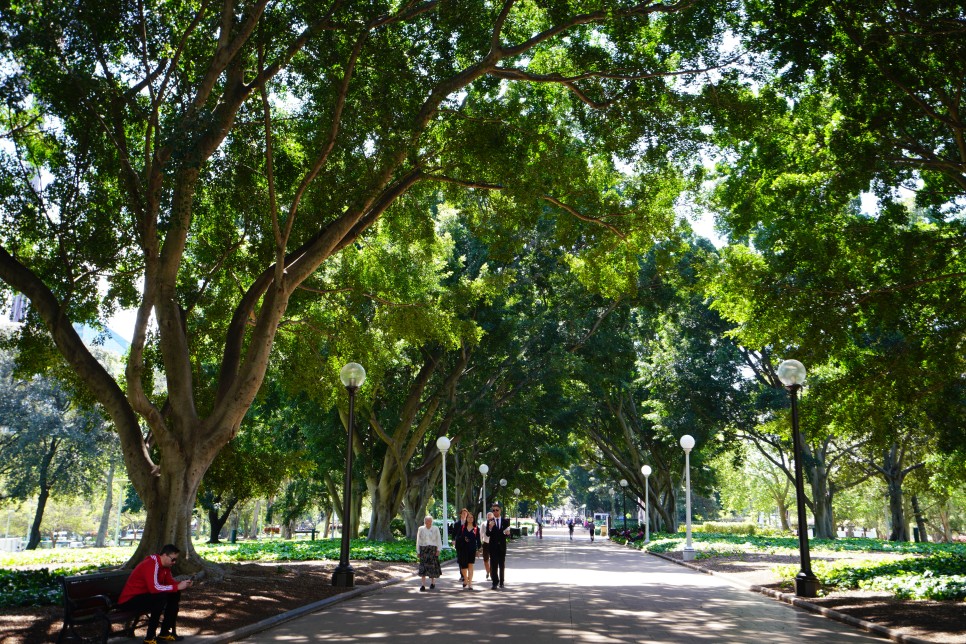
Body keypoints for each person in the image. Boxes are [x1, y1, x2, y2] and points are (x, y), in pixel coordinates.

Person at [117, 543, 192, 644]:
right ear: (165, 555)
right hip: (129, 601)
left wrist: (183, 584)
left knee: (174, 594)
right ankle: (149, 638)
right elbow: (154, 588)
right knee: (160, 597)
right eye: (173, 559)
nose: (174, 562)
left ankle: (164, 633)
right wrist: (176, 587)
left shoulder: (165, 566)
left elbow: (170, 583)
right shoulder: (151, 563)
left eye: (176, 560)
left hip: (145, 597)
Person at [485, 504, 510, 589]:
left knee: (501, 564)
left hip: (502, 546)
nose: (495, 512)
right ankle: (495, 582)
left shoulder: (505, 521)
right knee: (494, 565)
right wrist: (490, 527)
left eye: (497, 510)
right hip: (493, 546)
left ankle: (502, 582)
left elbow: (507, 534)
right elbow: (487, 534)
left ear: (500, 510)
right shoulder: (490, 521)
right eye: (493, 510)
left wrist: (507, 534)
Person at [454, 512, 481, 590]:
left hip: (472, 549)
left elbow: (478, 540)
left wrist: (479, 549)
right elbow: (457, 537)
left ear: (474, 519)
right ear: (466, 518)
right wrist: (463, 538)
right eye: (469, 517)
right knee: (463, 567)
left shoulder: (476, 528)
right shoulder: (462, 527)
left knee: (470, 566)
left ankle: (470, 583)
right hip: (463, 549)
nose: (470, 518)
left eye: (472, 517)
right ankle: (466, 578)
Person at [416, 515, 442, 591]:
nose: (428, 523)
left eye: (430, 521)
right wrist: (418, 551)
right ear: (424, 522)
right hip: (423, 549)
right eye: (427, 521)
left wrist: (438, 550)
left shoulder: (435, 528)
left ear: (432, 522)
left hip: (432, 549)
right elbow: (418, 540)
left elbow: (438, 539)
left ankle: (432, 583)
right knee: (423, 567)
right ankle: (423, 585)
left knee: (432, 567)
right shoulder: (421, 529)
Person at [481, 511, 494, 580]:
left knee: (493, 559)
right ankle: (488, 571)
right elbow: (481, 533)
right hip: (485, 543)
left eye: (490, 516)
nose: (489, 517)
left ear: (492, 517)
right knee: (485, 559)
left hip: (492, 543)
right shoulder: (484, 524)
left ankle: (492, 573)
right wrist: (480, 544)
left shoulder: (495, 523)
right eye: (487, 516)